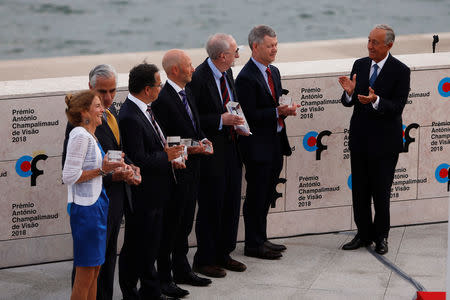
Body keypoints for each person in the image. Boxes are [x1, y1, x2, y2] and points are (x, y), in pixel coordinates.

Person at [62, 64, 140, 300]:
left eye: (112, 91)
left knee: (102, 264)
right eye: (101, 94)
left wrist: (129, 166)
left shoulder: (108, 116)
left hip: (108, 200)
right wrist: (106, 172)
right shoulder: (78, 130)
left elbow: (117, 152)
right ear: (90, 91)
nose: (107, 99)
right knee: (87, 270)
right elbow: (69, 174)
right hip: (90, 206)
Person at [338, 24, 410, 255]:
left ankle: (382, 237)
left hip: (385, 144)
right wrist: (349, 93)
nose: (370, 46)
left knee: (381, 192)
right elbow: (350, 101)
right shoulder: (359, 64)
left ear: (389, 45)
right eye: (369, 41)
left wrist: (376, 100)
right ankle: (363, 234)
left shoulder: (401, 70)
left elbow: (397, 106)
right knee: (359, 191)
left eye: (375, 42)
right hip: (360, 140)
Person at [118, 63, 185, 300]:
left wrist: (171, 156)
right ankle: (130, 290)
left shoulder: (146, 108)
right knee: (136, 245)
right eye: (158, 84)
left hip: (157, 191)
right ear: (147, 89)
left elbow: (154, 145)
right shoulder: (129, 116)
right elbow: (139, 158)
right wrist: (165, 156)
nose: (161, 88)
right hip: (143, 194)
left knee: (151, 245)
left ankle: (150, 289)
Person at [152, 49, 213, 298]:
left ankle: (182, 269)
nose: (193, 69)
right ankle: (164, 277)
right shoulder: (162, 98)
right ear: (175, 70)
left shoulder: (187, 91)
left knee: (185, 223)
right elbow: (164, 140)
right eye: (189, 65)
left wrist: (201, 141)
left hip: (193, 169)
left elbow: (191, 128)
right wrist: (191, 146)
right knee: (171, 227)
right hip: (175, 175)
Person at [235, 25, 298, 260]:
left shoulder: (274, 71)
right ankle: (253, 244)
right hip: (257, 148)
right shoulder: (245, 78)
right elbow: (249, 115)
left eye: (276, 45)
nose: (274, 49)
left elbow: (276, 102)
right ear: (255, 46)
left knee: (267, 194)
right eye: (270, 46)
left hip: (275, 143)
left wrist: (285, 111)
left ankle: (262, 238)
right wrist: (276, 112)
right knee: (256, 196)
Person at [189, 33, 248, 278]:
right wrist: (220, 120)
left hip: (232, 148)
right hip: (211, 153)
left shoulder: (228, 73)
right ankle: (205, 258)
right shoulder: (199, 78)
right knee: (212, 205)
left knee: (231, 204)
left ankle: (225, 252)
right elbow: (192, 118)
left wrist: (238, 123)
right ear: (222, 56)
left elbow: (231, 103)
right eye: (235, 52)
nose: (237, 56)